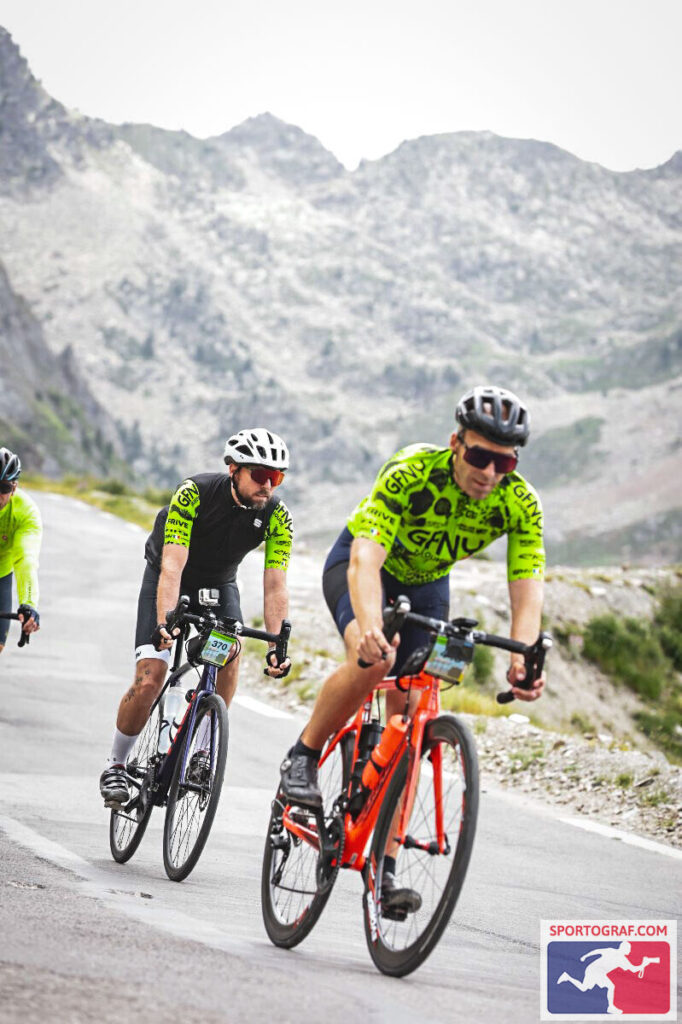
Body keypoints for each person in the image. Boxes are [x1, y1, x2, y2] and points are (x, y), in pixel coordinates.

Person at [279, 385, 545, 912]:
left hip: (427, 585)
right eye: (480, 457)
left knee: (416, 716)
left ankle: (385, 869)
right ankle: (303, 756)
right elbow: (366, 560)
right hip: (362, 565)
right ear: (455, 443)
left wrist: (523, 655)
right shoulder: (411, 471)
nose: (490, 472)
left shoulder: (521, 503)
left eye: (505, 462)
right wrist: (369, 626)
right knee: (373, 658)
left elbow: (527, 583)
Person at [99, 428, 293, 805]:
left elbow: (275, 585)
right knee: (151, 677)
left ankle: (202, 751)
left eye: (277, 477)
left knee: (229, 653)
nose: (268, 485)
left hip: (219, 584)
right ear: (234, 469)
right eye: (260, 474)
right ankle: (116, 765)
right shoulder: (194, 493)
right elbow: (172, 566)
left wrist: (276, 645)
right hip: (169, 575)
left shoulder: (278, 515)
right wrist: (164, 621)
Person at [0, 447, 42, 652]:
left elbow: (26, 560)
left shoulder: (26, 513)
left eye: (3, 487)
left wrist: (28, 604)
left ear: (14, 488)